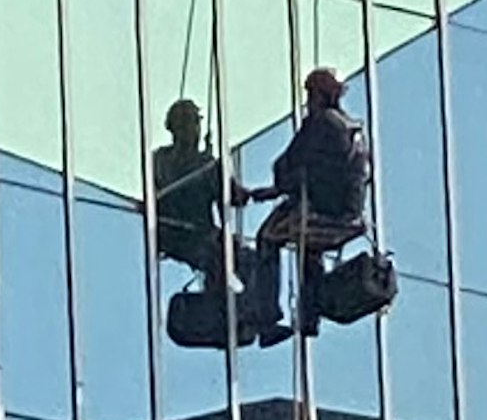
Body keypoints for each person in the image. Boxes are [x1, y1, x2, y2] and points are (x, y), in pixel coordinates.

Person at [241, 67, 371, 342]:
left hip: (323, 212)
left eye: (311, 94)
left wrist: (279, 186)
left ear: (319, 96)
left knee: (267, 238)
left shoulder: (321, 123)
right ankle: (309, 316)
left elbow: (290, 165)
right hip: (348, 215)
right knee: (309, 249)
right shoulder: (351, 127)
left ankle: (266, 320)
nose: (309, 101)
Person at [149, 99, 233, 285]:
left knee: (240, 256)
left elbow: (229, 195)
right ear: (174, 128)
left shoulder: (205, 163)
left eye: (196, 123)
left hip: (199, 235)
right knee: (218, 258)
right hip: (180, 237)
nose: (194, 129)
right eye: (189, 122)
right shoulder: (160, 161)